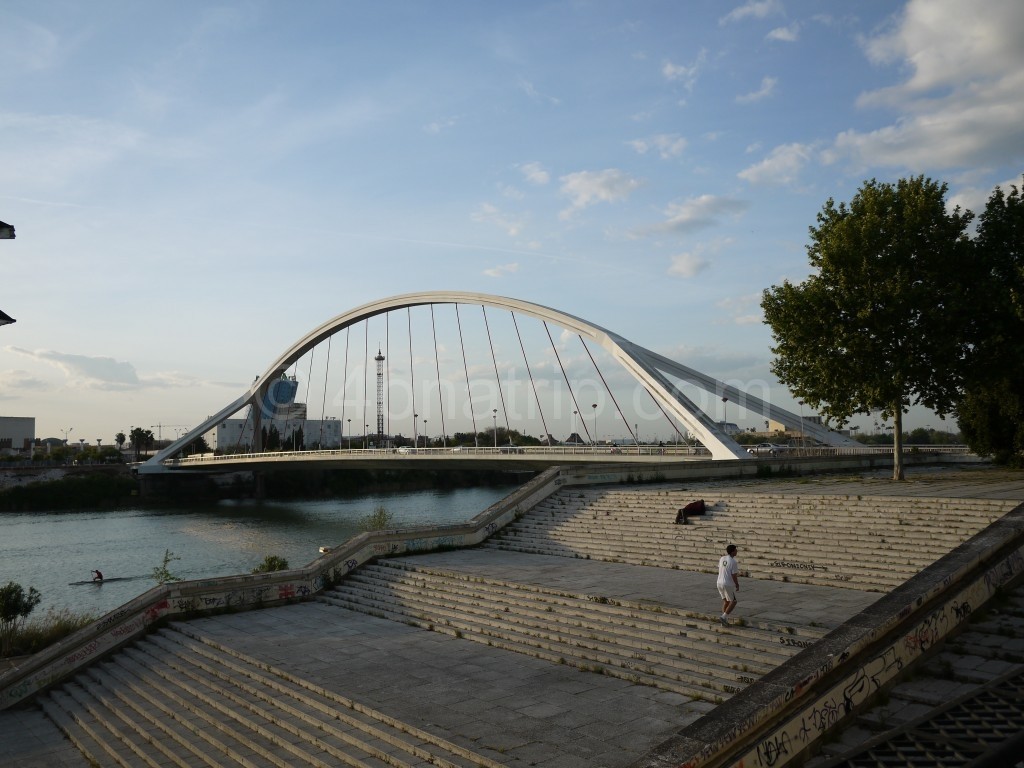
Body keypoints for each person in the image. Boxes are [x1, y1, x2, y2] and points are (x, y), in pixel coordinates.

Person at [716, 544, 739, 625]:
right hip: (727, 584)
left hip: (719, 582)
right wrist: (737, 584)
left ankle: (724, 621)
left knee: (726, 601)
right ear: (733, 552)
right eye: (736, 550)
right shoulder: (733, 562)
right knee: (733, 601)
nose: (737, 551)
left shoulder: (722, 558)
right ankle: (724, 617)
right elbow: (734, 575)